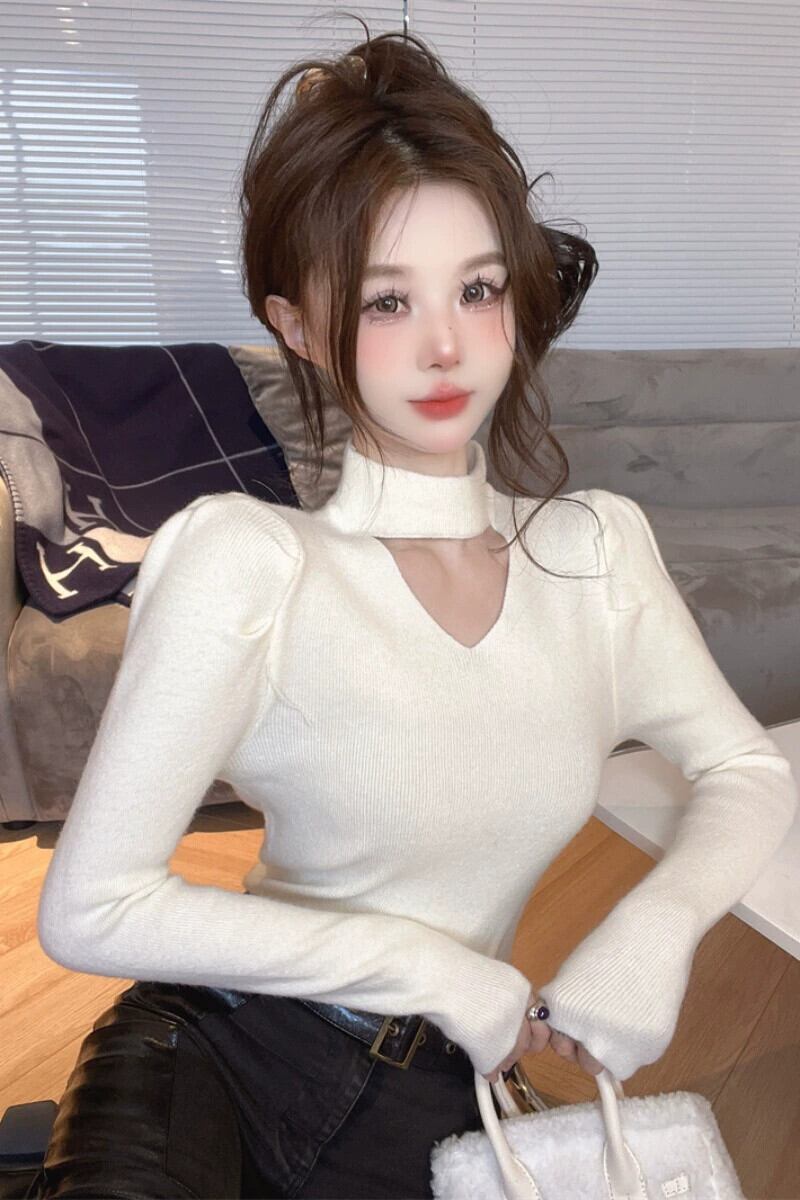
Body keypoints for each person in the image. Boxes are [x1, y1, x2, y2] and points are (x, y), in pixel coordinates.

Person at [33, 17, 798, 1200]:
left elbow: (746, 771)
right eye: (384, 302)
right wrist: (428, 969)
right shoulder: (250, 561)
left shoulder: (594, 555)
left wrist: (656, 927)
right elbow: (91, 908)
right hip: (229, 1053)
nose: (444, 345)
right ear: (297, 326)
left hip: (443, 1087)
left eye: (475, 288)